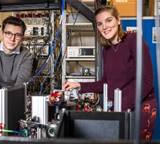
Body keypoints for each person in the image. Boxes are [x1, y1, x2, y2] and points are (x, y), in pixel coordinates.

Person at [64, 6, 157, 140]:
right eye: (100, 24)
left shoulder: (133, 40)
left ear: (118, 20)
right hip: (120, 107)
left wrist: (119, 107)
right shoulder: (106, 50)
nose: (105, 27)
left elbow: (146, 81)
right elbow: (105, 83)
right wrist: (79, 85)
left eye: (109, 20)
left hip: (141, 106)